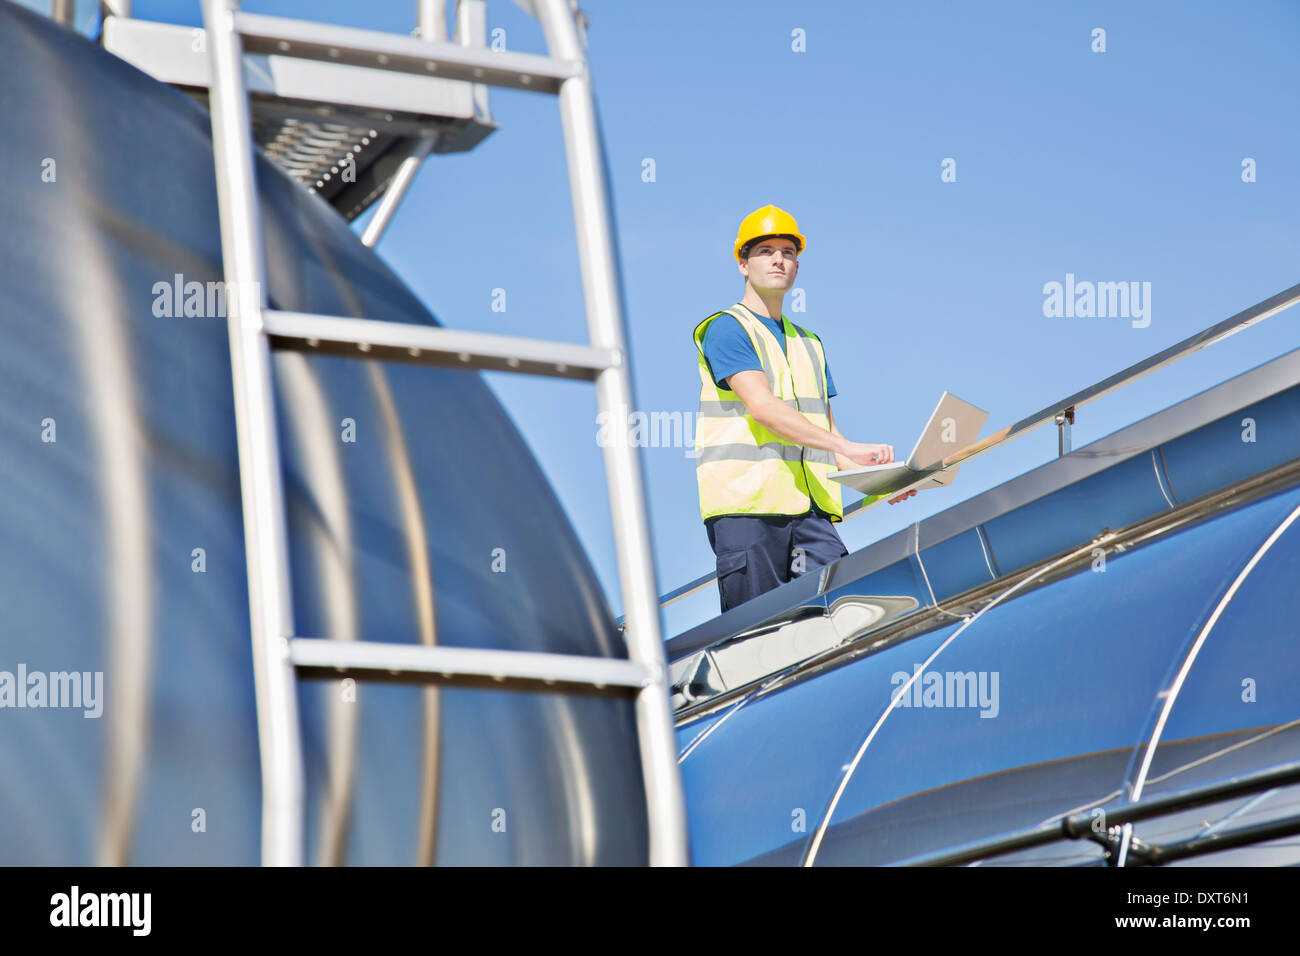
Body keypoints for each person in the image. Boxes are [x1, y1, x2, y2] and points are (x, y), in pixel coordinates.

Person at [693, 205, 915, 614]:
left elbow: (832, 445)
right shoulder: (726, 328)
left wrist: (884, 481)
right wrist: (848, 449)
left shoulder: (809, 343)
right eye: (766, 251)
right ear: (743, 263)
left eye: (788, 252)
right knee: (756, 635)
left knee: (839, 613)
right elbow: (762, 408)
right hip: (749, 513)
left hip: (809, 515)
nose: (779, 259)